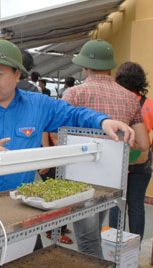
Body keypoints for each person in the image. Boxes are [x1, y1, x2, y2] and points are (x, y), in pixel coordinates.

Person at [0, 39, 136, 268]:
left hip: (20, 205)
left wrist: (103, 121)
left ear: (17, 75)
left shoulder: (39, 105)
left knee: (29, 261)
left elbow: (73, 114)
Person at [63, 40, 149, 258]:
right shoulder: (131, 98)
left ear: (84, 67)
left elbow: (59, 137)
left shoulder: (74, 94)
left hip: (80, 178)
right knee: (93, 236)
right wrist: (118, 157)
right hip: (112, 178)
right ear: (110, 67)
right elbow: (142, 144)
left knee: (87, 241)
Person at [108, 62, 153, 240]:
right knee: (136, 206)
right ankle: (134, 250)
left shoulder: (116, 102)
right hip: (142, 160)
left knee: (116, 204)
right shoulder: (149, 104)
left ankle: (113, 244)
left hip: (118, 159)